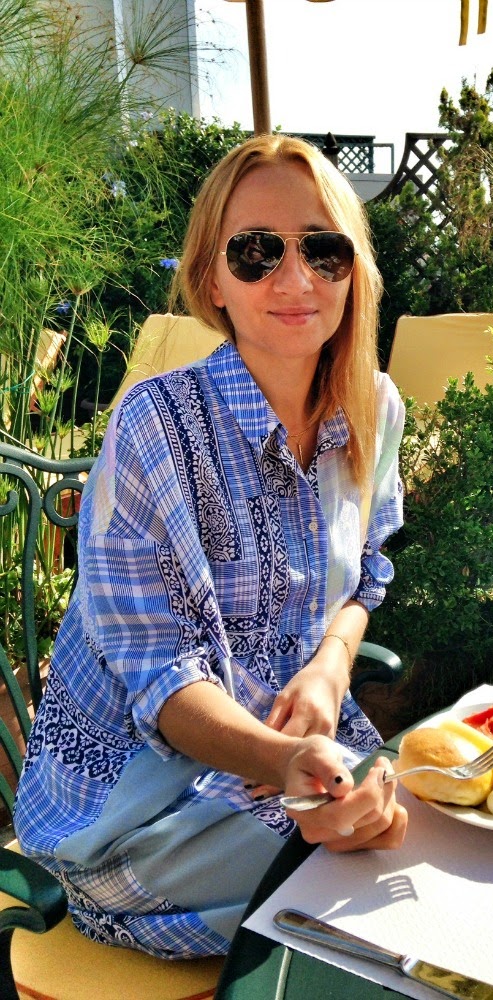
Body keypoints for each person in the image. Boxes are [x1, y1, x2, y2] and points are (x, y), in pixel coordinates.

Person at [14, 134, 408, 959]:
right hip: (140, 808)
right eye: (257, 252)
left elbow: (367, 572)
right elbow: (161, 679)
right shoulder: (154, 427)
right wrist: (286, 760)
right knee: (367, 890)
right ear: (211, 280)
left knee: (412, 847)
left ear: (353, 269)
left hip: (297, 764)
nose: (295, 280)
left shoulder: (373, 406)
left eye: (323, 250)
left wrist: (330, 666)